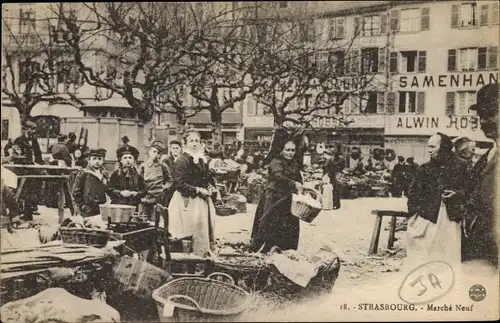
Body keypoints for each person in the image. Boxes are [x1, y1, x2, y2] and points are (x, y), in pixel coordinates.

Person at [406, 133, 468, 264]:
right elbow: (412, 193)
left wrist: (456, 194)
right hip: (428, 219)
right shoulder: (424, 169)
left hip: (452, 218)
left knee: (449, 255)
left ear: (444, 147)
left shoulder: (462, 166)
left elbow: (472, 190)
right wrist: (416, 214)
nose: (429, 150)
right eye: (428, 147)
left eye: (432, 147)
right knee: (426, 255)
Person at [462, 83, 499, 268]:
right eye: (481, 116)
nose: (484, 121)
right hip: (481, 253)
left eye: (491, 113)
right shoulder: (489, 155)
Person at [250, 130, 303, 253]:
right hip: (274, 198)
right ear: (281, 150)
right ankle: (264, 250)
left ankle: (284, 251)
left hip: (288, 199)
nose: (290, 153)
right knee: (270, 224)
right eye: (287, 150)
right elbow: (278, 176)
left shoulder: (294, 163)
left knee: (288, 226)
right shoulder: (276, 161)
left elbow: (298, 177)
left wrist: (301, 185)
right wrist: (294, 183)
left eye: (292, 150)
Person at [168, 130, 217, 256]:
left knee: (201, 230)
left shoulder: (201, 160)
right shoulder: (181, 161)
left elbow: (205, 178)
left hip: (201, 200)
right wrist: (198, 190)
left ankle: (201, 255)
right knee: (189, 230)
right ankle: (189, 259)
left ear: (201, 144)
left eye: (197, 141)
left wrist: (210, 186)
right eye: (191, 141)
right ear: (185, 144)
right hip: (186, 200)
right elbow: (179, 184)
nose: (194, 144)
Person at [12, 120, 43, 220]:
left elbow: (38, 154)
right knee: (21, 191)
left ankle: (29, 213)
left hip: (32, 169)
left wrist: (40, 164)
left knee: (32, 190)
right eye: (32, 129)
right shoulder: (18, 140)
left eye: (34, 129)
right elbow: (16, 156)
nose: (33, 131)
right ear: (26, 129)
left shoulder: (34, 141)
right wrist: (26, 161)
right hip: (22, 169)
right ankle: (19, 212)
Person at [138, 141, 172, 219]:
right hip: (145, 197)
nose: (156, 154)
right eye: (154, 151)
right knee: (142, 219)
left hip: (158, 197)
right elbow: (138, 181)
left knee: (156, 220)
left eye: (158, 153)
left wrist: (164, 187)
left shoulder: (163, 165)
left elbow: (170, 180)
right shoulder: (143, 166)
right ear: (149, 152)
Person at [72, 148, 108, 217]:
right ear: (89, 160)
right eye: (94, 159)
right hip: (87, 207)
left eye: (100, 159)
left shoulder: (104, 174)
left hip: (101, 207)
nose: (97, 161)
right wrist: (82, 205)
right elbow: (76, 191)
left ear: (103, 160)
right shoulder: (84, 173)